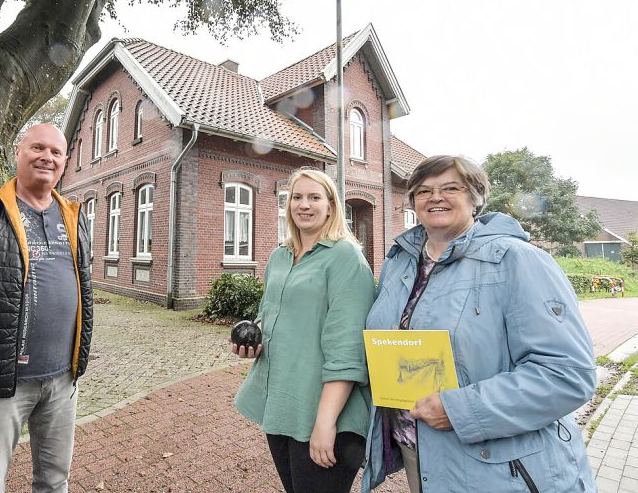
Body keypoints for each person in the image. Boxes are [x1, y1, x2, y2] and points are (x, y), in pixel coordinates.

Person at [360, 155, 596, 493]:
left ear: (476, 197)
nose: (435, 197)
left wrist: (459, 410)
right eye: (423, 190)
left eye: (450, 188)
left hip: (502, 468)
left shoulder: (517, 260)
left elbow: (567, 374)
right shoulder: (399, 264)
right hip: (421, 455)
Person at [0, 122, 93, 493]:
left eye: (56, 152)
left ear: (65, 162)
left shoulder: (74, 215)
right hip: (0, 382)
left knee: (55, 480)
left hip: (62, 379)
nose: (47, 157)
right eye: (37, 148)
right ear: (18, 153)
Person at [232, 168, 375, 493]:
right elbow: (268, 318)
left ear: (330, 206)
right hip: (283, 406)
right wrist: (254, 340)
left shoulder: (345, 258)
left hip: (326, 415)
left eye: (314, 197)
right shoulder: (280, 256)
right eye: (297, 197)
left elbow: (347, 349)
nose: (304, 205)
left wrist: (325, 423)